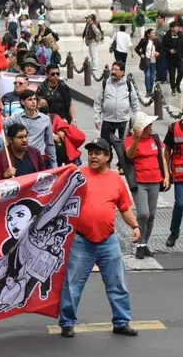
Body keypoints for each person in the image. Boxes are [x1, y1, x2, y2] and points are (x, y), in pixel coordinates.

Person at [58, 138, 141, 338]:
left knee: (117, 283)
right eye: (91, 152)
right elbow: (57, 197)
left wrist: (135, 226)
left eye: (98, 153)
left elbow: (124, 208)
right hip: (81, 241)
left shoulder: (116, 180)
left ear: (107, 156)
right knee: (72, 285)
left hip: (108, 241)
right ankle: (67, 323)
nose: (93, 156)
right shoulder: (77, 175)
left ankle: (121, 322)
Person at [124, 112, 168, 259]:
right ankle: (140, 243)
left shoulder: (154, 138)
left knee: (152, 215)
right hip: (140, 182)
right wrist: (136, 140)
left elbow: (162, 157)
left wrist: (166, 176)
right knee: (143, 213)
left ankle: (143, 245)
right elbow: (130, 155)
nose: (151, 127)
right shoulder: (130, 140)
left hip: (155, 180)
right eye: (148, 126)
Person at [3, 90, 57, 169]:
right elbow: (2, 127)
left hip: (39, 158)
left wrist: (54, 164)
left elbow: (49, 143)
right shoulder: (16, 118)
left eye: (34, 99)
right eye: (30, 99)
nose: (33, 102)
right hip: (21, 157)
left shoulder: (45, 119)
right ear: (22, 102)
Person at [93, 61, 140, 143]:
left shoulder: (128, 84)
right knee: (105, 147)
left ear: (122, 72)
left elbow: (135, 103)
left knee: (125, 146)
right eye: (112, 69)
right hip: (108, 120)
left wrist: (135, 120)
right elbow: (98, 101)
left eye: (116, 70)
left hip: (124, 121)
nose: (113, 72)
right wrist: (97, 118)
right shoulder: (105, 83)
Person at [162, 113, 183, 248]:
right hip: (180, 175)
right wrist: (167, 175)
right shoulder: (173, 128)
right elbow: (166, 152)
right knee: (180, 204)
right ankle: (174, 232)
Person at [135, 28, 161, 97]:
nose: (154, 34)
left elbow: (161, 50)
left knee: (152, 76)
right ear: (148, 34)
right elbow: (136, 48)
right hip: (146, 61)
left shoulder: (156, 41)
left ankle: (150, 91)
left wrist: (158, 53)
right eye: (152, 33)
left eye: (154, 33)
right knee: (147, 75)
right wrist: (141, 54)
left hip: (154, 61)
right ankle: (147, 91)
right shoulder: (144, 40)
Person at [163, 20, 183, 95]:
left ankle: (177, 85)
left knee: (181, 72)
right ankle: (173, 88)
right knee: (172, 74)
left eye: (178, 26)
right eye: (176, 27)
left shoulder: (181, 35)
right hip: (170, 58)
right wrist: (169, 50)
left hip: (179, 58)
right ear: (171, 28)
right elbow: (163, 47)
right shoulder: (166, 36)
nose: (178, 28)